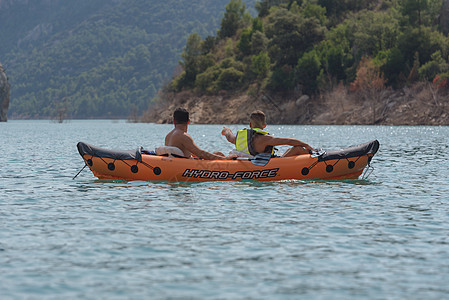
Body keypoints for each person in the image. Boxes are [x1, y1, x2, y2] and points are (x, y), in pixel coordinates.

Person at [221, 110, 315, 157]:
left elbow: (229, 137)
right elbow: (288, 140)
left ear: (250, 125)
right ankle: (315, 156)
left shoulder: (239, 137)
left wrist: (226, 130)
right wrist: (306, 145)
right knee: (297, 148)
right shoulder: (266, 139)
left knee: (290, 149)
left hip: (248, 163)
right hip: (266, 165)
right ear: (264, 125)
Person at [165, 107, 234, 160]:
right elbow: (200, 153)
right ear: (188, 121)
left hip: (178, 164)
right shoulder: (183, 136)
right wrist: (225, 159)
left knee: (217, 154)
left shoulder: (168, 136)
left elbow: (184, 151)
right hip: (187, 167)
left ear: (174, 121)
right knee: (220, 155)